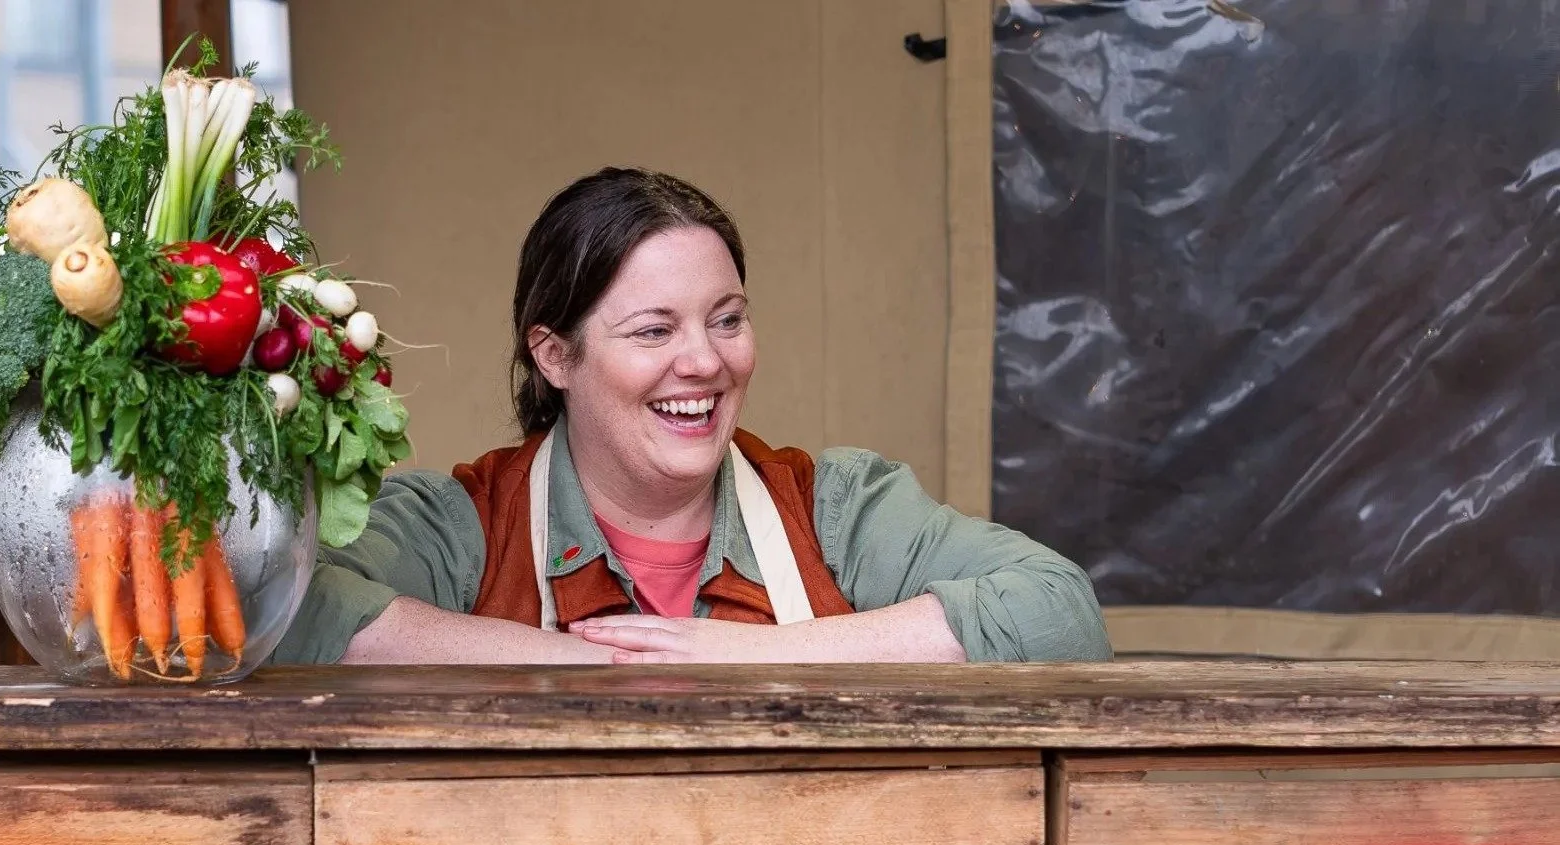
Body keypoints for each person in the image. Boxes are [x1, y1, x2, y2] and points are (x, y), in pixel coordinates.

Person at [274, 168, 1111, 665]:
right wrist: (576, 664)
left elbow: (1057, 609)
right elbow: (280, 612)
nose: (706, 361)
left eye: (727, 319)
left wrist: (755, 656)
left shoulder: (837, 509)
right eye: (653, 331)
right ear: (554, 355)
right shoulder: (463, 529)